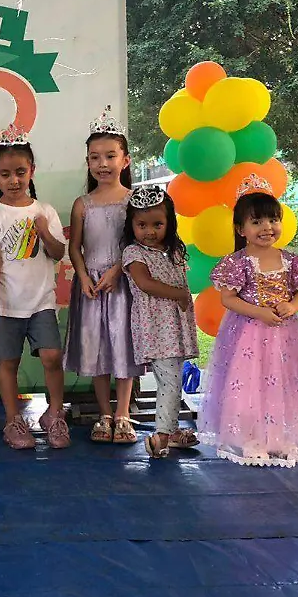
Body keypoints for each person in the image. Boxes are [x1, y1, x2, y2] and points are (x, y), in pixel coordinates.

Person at [198, 177, 298, 467]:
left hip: (286, 334)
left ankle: (281, 436)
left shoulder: (291, 260)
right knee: (250, 383)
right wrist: (259, 312)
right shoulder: (236, 262)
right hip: (249, 335)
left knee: (286, 381)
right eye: (256, 222)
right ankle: (252, 437)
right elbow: (228, 299)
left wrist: (292, 305)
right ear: (240, 229)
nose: (267, 227)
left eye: (273, 220)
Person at [0, 125, 70, 450]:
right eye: (5, 174)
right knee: (8, 363)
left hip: (41, 301)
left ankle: (55, 414)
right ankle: (12, 421)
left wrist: (44, 231)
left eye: (20, 172)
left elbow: (58, 252)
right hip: (6, 304)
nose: (14, 180)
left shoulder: (45, 211)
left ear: (31, 170)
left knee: (52, 356)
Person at [63, 107, 141, 444]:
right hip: (92, 287)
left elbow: (139, 244)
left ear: (125, 160)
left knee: (123, 346)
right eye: (95, 157)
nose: (103, 164)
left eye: (110, 156)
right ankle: (104, 413)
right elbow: (74, 247)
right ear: (88, 162)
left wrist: (117, 269)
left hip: (123, 284)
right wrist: (82, 277)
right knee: (95, 348)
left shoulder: (133, 201)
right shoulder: (82, 204)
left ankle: (122, 413)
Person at [121, 185, 200, 458]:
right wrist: (179, 294)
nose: (150, 231)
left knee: (172, 378)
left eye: (157, 224)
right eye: (142, 225)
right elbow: (144, 283)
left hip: (174, 326)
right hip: (156, 328)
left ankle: (172, 430)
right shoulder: (134, 253)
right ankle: (162, 436)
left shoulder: (173, 251)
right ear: (132, 225)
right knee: (171, 382)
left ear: (169, 223)